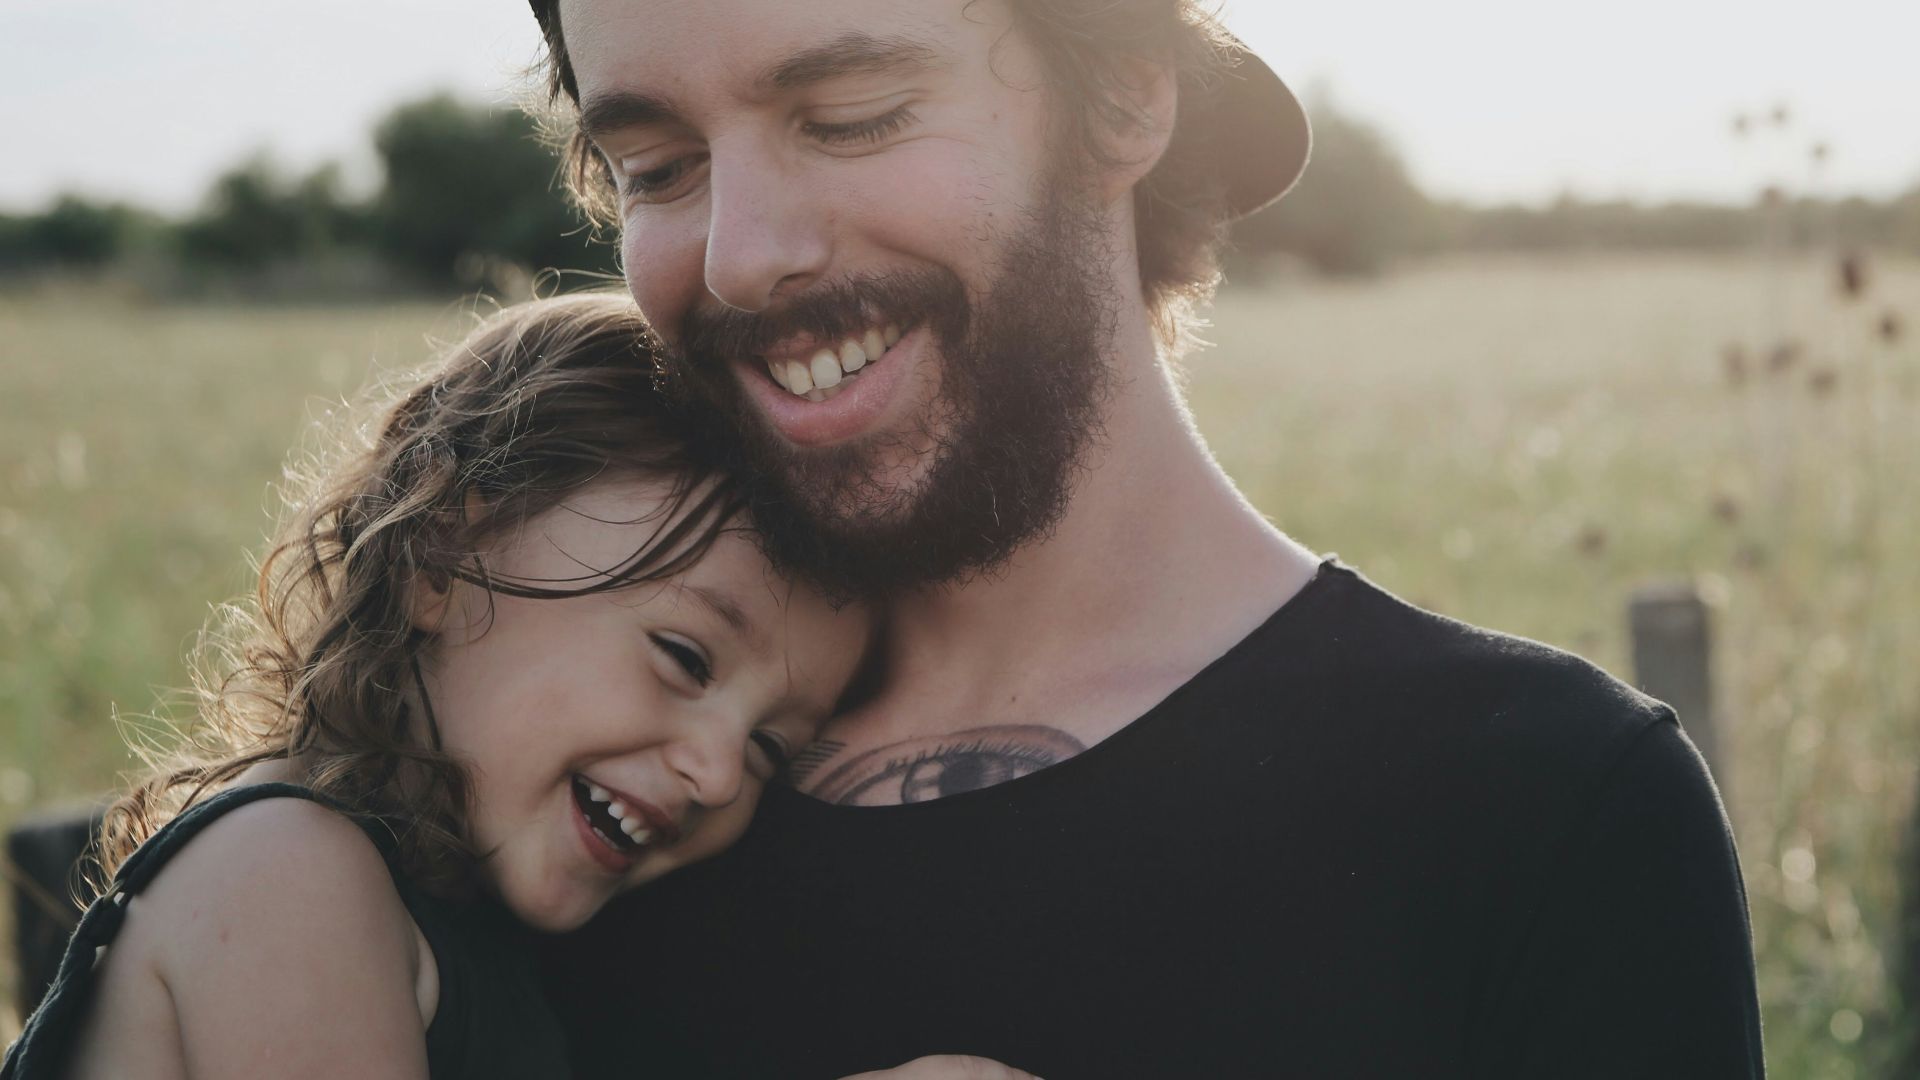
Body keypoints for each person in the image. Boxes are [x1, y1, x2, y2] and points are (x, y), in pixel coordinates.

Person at [528, 1, 1767, 1077]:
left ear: (1121, 103)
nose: (743, 256)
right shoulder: (570, 791)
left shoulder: (1545, 811)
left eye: (850, 115)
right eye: (658, 166)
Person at [0, 294, 881, 1079]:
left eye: (772, 747)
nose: (721, 772)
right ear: (442, 555)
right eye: (685, 658)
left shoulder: (469, 926)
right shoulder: (288, 877)